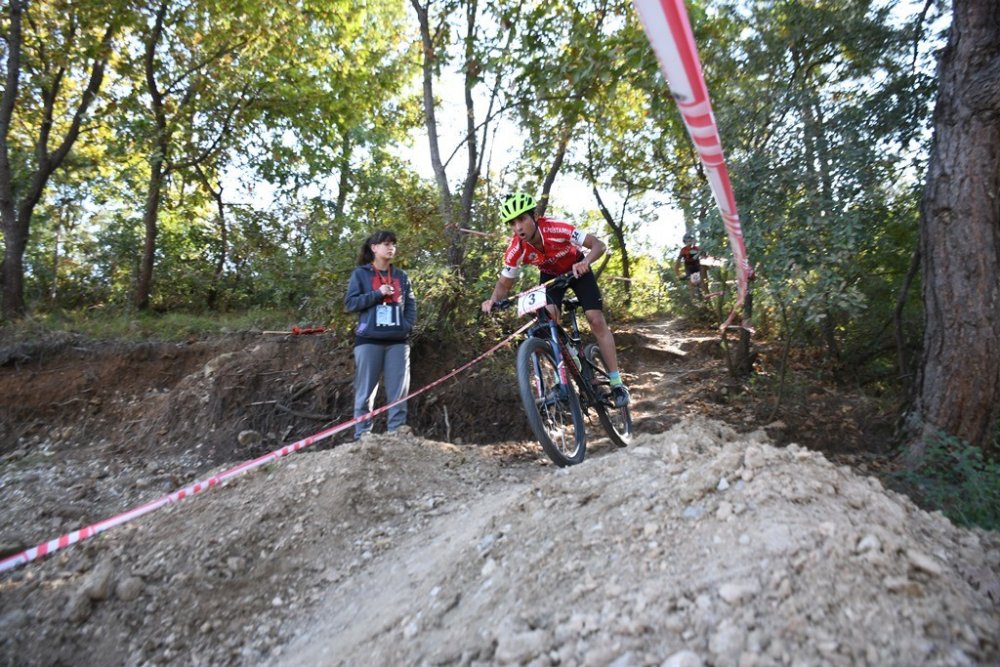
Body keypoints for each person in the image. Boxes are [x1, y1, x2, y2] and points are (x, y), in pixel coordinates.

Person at [480, 192, 630, 408]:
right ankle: (572, 361)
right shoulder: (516, 248)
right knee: (549, 319)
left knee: (595, 318)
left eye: (522, 219)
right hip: (550, 276)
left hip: (577, 269)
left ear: (534, 216)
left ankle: (617, 383)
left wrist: (586, 261)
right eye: (513, 223)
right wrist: (492, 300)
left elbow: (598, 245)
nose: (518, 227)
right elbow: (504, 284)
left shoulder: (556, 228)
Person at [344, 230, 417, 439]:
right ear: (373, 248)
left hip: (398, 341)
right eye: (385, 244)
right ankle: (363, 436)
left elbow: (411, 304)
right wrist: (377, 294)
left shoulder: (401, 276)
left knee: (399, 394)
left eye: (393, 243)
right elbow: (350, 303)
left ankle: (397, 435)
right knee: (365, 393)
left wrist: (407, 325)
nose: (391, 247)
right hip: (369, 340)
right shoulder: (361, 274)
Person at [675, 232, 707, 297]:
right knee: (690, 282)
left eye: (690, 240)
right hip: (689, 268)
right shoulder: (683, 250)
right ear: (685, 242)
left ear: (693, 241)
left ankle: (706, 293)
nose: (689, 242)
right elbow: (678, 261)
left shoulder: (697, 248)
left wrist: (704, 254)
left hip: (698, 266)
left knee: (703, 280)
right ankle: (693, 298)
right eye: (687, 241)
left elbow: (704, 256)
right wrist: (677, 273)